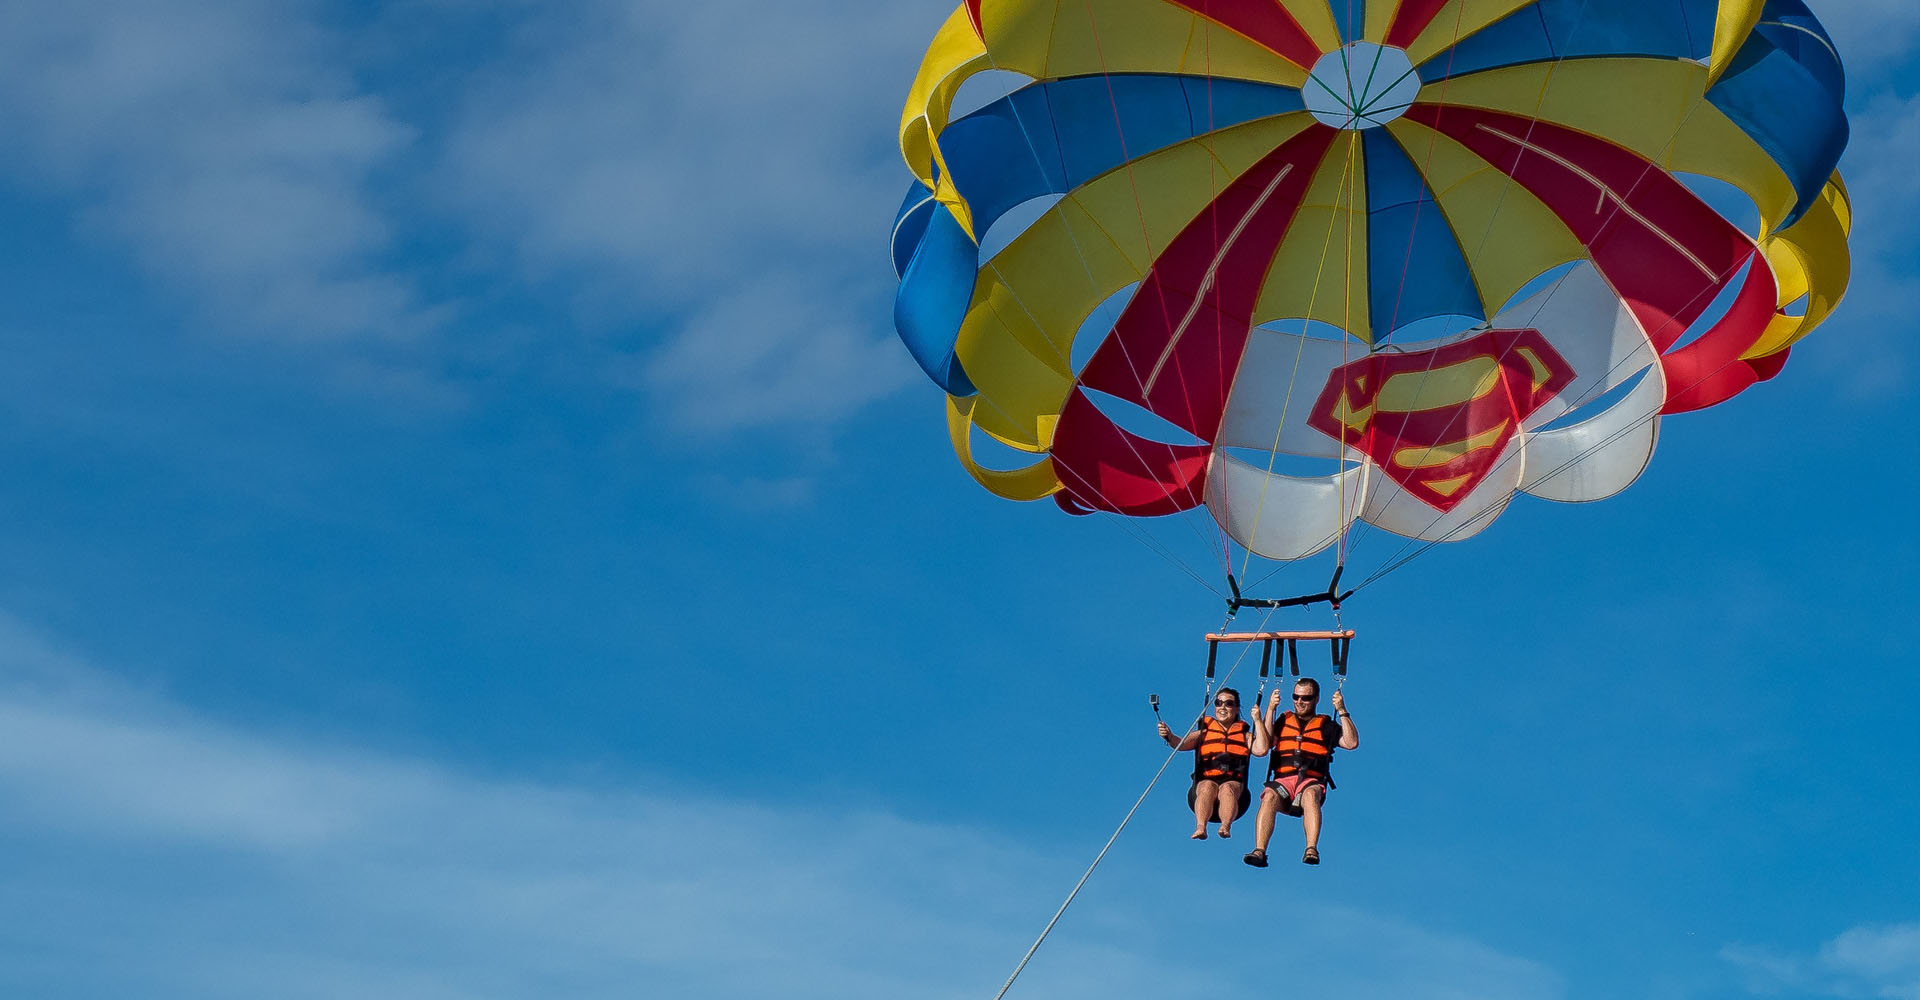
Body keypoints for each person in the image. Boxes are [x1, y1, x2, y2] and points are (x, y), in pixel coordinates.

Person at [1242, 677, 1358, 867]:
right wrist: (1270, 709)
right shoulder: (1283, 720)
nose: (1299, 702)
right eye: (1296, 697)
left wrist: (1342, 710)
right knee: (1269, 796)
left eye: (1305, 698)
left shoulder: (1326, 725)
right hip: (1283, 782)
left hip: (1310, 781)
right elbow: (1265, 743)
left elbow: (1351, 742)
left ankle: (1311, 848)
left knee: (1311, 795)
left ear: (1316, 699)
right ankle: (1260, 850)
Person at [1158, 687, 1251, 840]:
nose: (1223, 707)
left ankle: (1225, 826)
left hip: (1234, 782)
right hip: (1206, 780)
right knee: (1207, 786)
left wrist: (1259, 719)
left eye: (1228, 703)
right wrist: (1168, 735)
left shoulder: (1245, 735)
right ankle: (1201, 827)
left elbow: (1261, 749)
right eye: (1219, 703)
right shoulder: (1204, 733)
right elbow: (1180, 744)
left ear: (1236, 709)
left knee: (1227, 789)